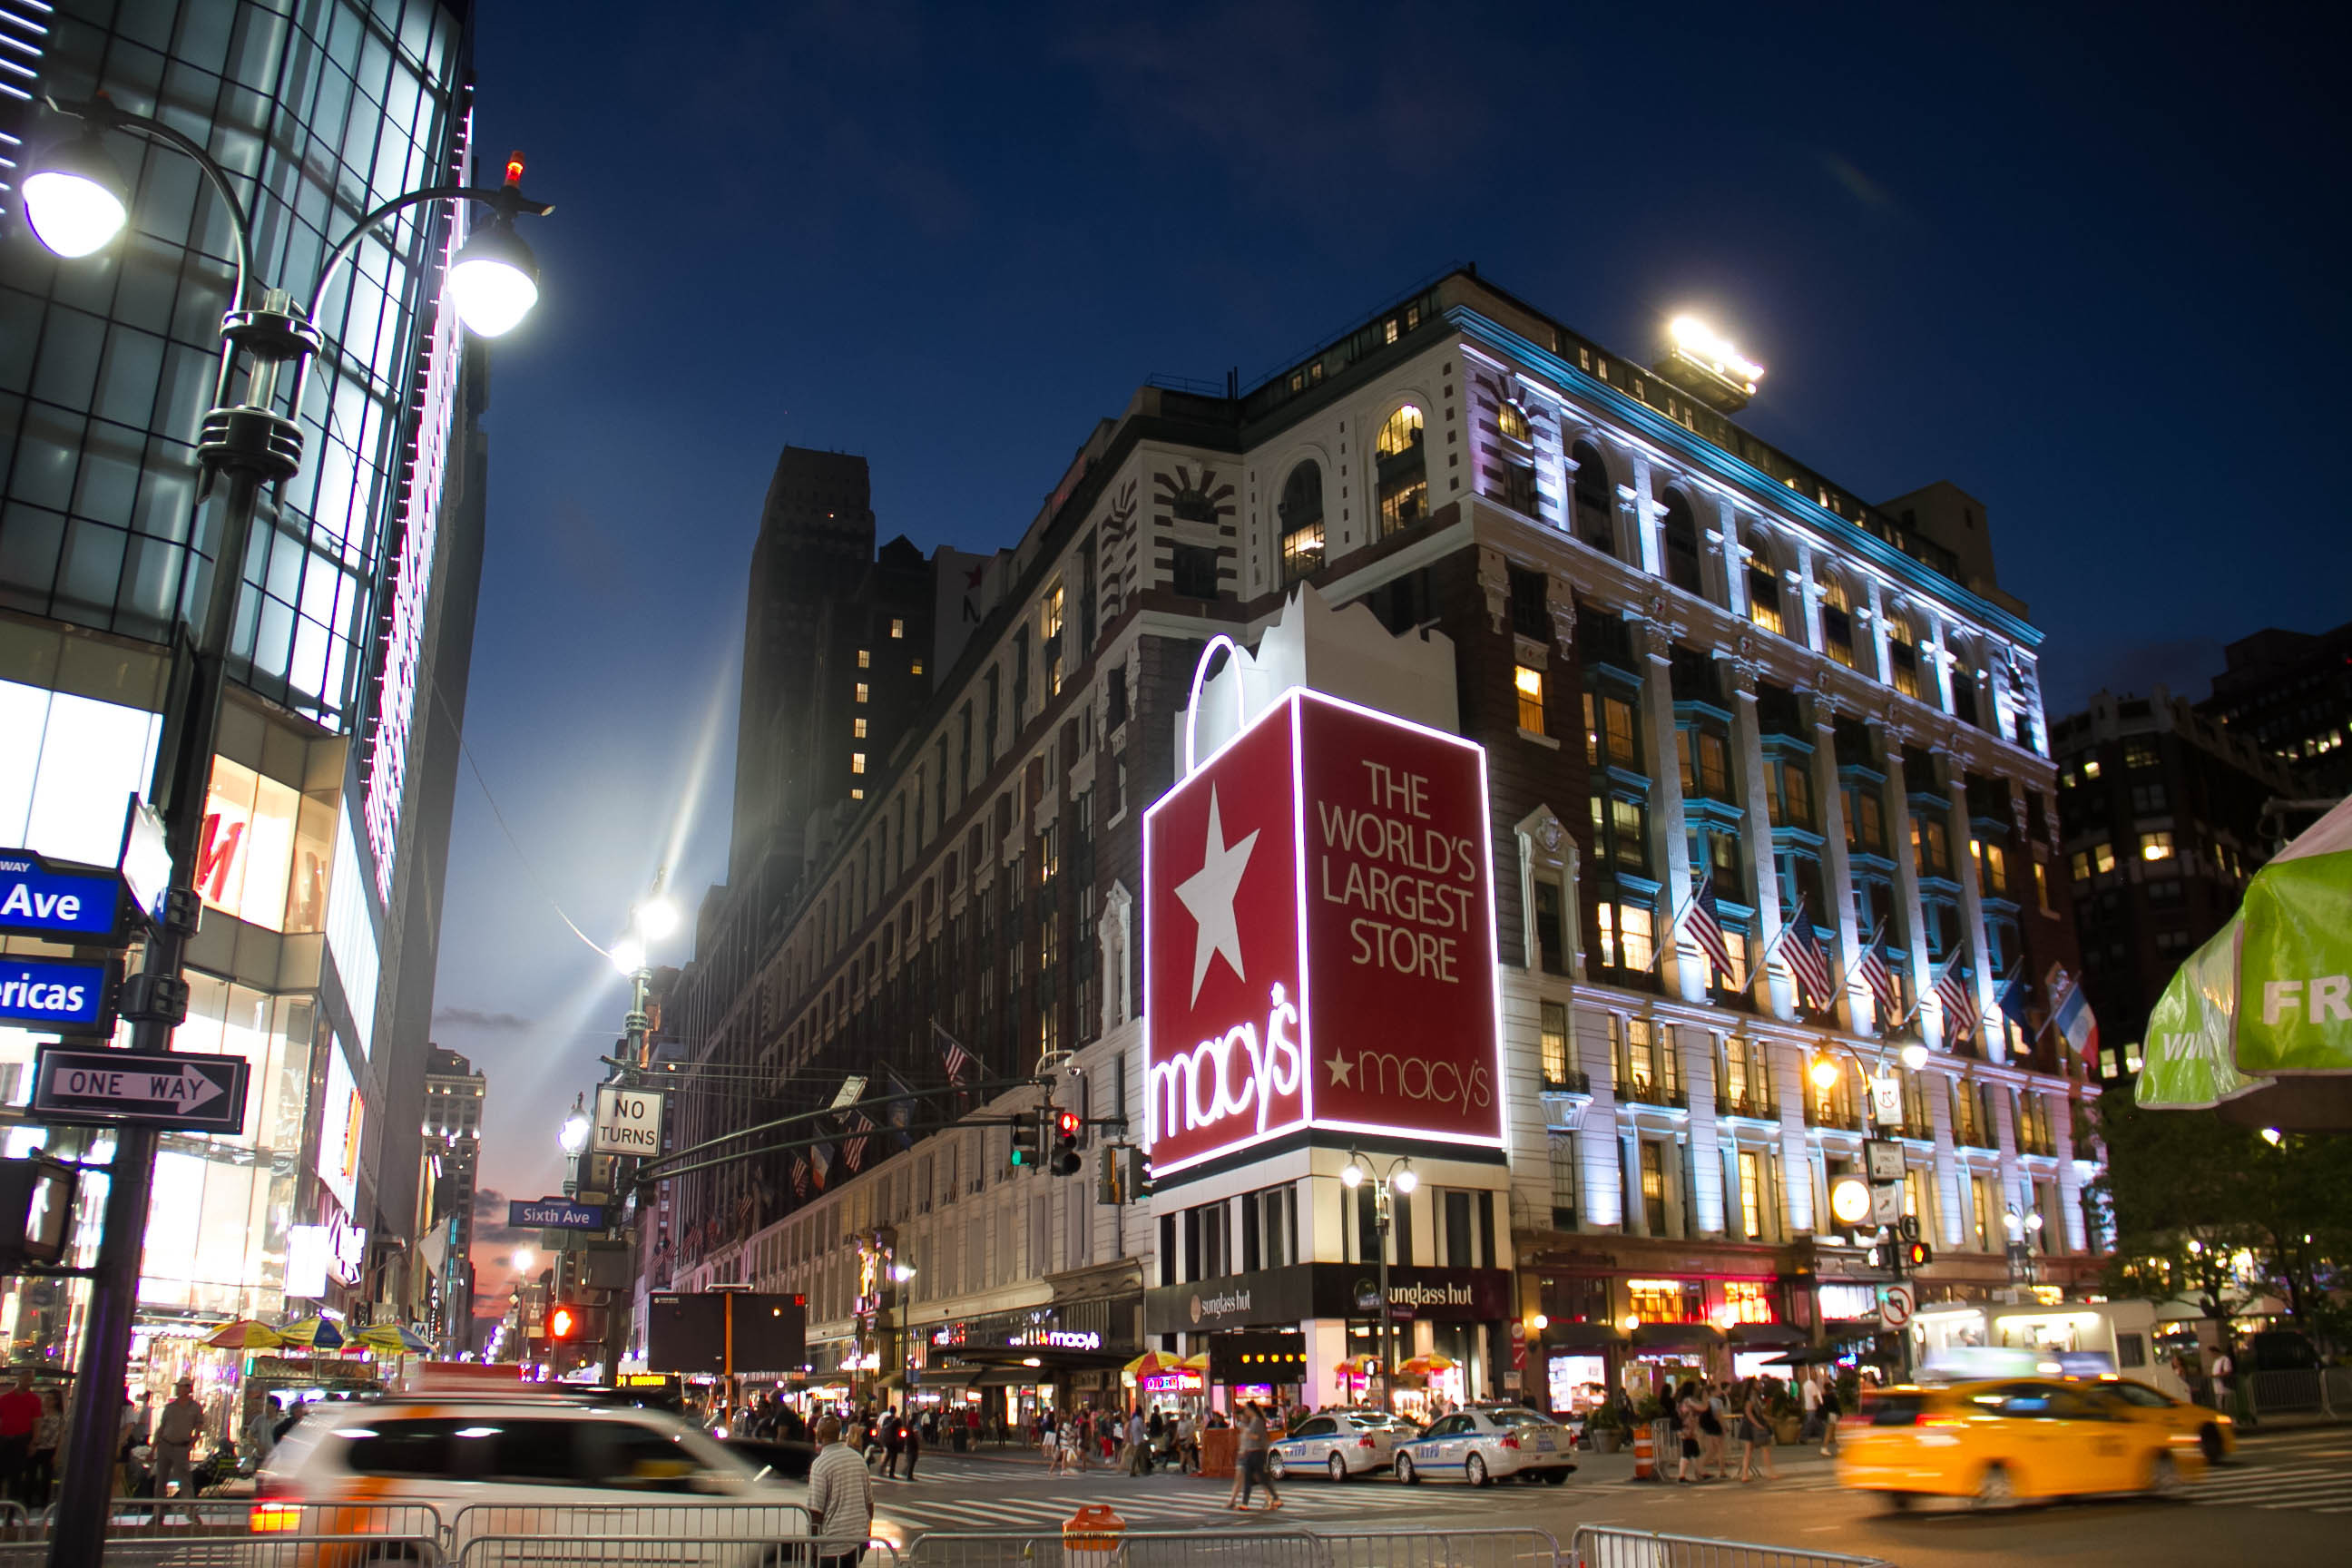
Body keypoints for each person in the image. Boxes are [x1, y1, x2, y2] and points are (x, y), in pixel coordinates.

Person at [806, 1416, 874, 1568]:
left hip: (832, 1543)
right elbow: (869, 1502)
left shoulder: (820, 1465)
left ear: (819, 1435)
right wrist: (867, 1533)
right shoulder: (858, 1459)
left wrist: (812, 1544)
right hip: (857, 1538)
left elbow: (816, 1511)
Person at [153, 1377, 205, 1499]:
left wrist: (190, 1445)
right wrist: (153, 1448)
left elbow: (198, 1428)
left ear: (187, 1388)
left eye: (181, 1387)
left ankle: (189, 1511)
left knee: (185, 1481)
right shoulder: (170, 1407)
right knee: (160, 1480)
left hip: (181, 1447)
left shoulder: (195, 1408)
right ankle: (158, 1513)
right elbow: (162, 1428)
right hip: (165, 1445)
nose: (178, 1389)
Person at [1231, 1400, 1279, 1511]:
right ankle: (1244, 1503)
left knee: (1262, 1478)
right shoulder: (1252, 1421)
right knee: (1250, 1479)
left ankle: (1275, 1499)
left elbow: (1257, 1437)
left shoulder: (1257, 1421)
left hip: (1257, 1453)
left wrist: (1247, 1433)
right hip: (1250, 1453)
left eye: (1246, 1409)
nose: (1245, 1412)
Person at [0, 1374, 40, 1505]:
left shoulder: (34, 1400)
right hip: (4, 1439)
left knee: (16, 1478)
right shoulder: (5, 1399)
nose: (29, 1383)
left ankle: (11, 1513)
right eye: (27, 1379)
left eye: (31, 1381)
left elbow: (36, 1422)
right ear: (20, 1379)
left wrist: (34, 1442)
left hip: (21, 1440)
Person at [1737, 1378, 1779, 1482]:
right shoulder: (1753, 1396)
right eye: (1757, 1383)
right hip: (1753, 1425)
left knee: (1749, 1451)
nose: (1760, 1384)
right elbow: (1749, 1412)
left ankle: (1745, 1474)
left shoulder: (1754, 1396)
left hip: (1750, 1425)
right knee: (1764, 1449)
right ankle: (1769, 1472)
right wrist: (1758, 1425)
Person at [1672, 1382, 1704, 1484]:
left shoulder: (1681, 1401)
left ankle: (1700, 1472)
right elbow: (1701, 1408)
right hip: (1687, 1429)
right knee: (1688, 1451)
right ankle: (1682, 1475)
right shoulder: (1688, 1400)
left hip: (1685, 1428)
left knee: (1694, 1450)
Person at [901, 1410, 922, 1481]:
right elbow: (916, 1434)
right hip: (912, 1444)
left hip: (910, 1443)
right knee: (912, 1459)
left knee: (912, 1459)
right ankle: (909, 1475)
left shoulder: (910, 1424)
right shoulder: (913, 1425)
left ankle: (907, 1472)